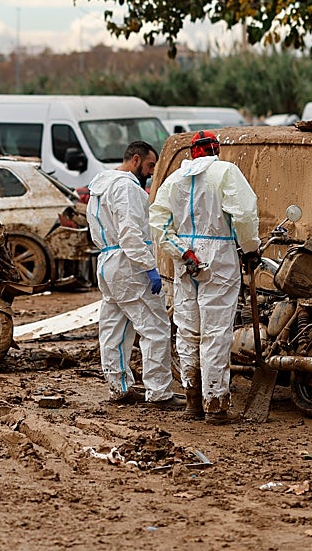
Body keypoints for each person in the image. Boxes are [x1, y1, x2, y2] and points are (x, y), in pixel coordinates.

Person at [149, 130, 259, 423]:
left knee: (188, 331)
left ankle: (192, 402)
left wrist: (183, 252)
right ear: (215, 151)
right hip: (219, 256)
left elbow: (159, 225)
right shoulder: (226, 172)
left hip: (187, 261)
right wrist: (250, 248)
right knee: (215, 332)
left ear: (192, 152)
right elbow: (244, 215)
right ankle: (216, 404)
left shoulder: (174, 180)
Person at [87, 140, 184, 409]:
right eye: (150, 165)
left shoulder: (99, 186)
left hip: (107, 262)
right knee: (155, 328)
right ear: (136, 160)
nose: (152, 172)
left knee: (114, 328)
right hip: (128, 264)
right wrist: (148, 267)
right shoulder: (126, 188)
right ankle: (159, 392)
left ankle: (119, 387)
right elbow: (130, 233)